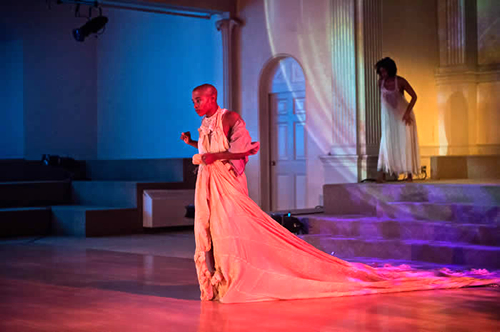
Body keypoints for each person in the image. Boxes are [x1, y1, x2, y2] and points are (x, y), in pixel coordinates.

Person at [181, 84, 498, 304]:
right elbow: (214, 151)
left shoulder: (229, 118)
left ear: (213, 98)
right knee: (216, 233)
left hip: (228, 188)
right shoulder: (206, 124)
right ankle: (220, 280)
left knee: (235, 232)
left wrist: (212, 157)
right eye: (193, 101)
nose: (195, 104)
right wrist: (194, 146)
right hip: (210, 185)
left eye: (199, 99)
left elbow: (242, 151)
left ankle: (241, 277)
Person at [375, 57, 420, 182]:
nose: (383, 74)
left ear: (391, 70)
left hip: (404, 117)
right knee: (386, 142)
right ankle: (383, 173)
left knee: (405, 142)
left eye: (385, 71)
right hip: (389, 119)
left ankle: (409, 174)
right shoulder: (380, 83)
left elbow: (414, 97)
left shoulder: (400, 81)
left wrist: (407, 113)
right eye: (381, 72)